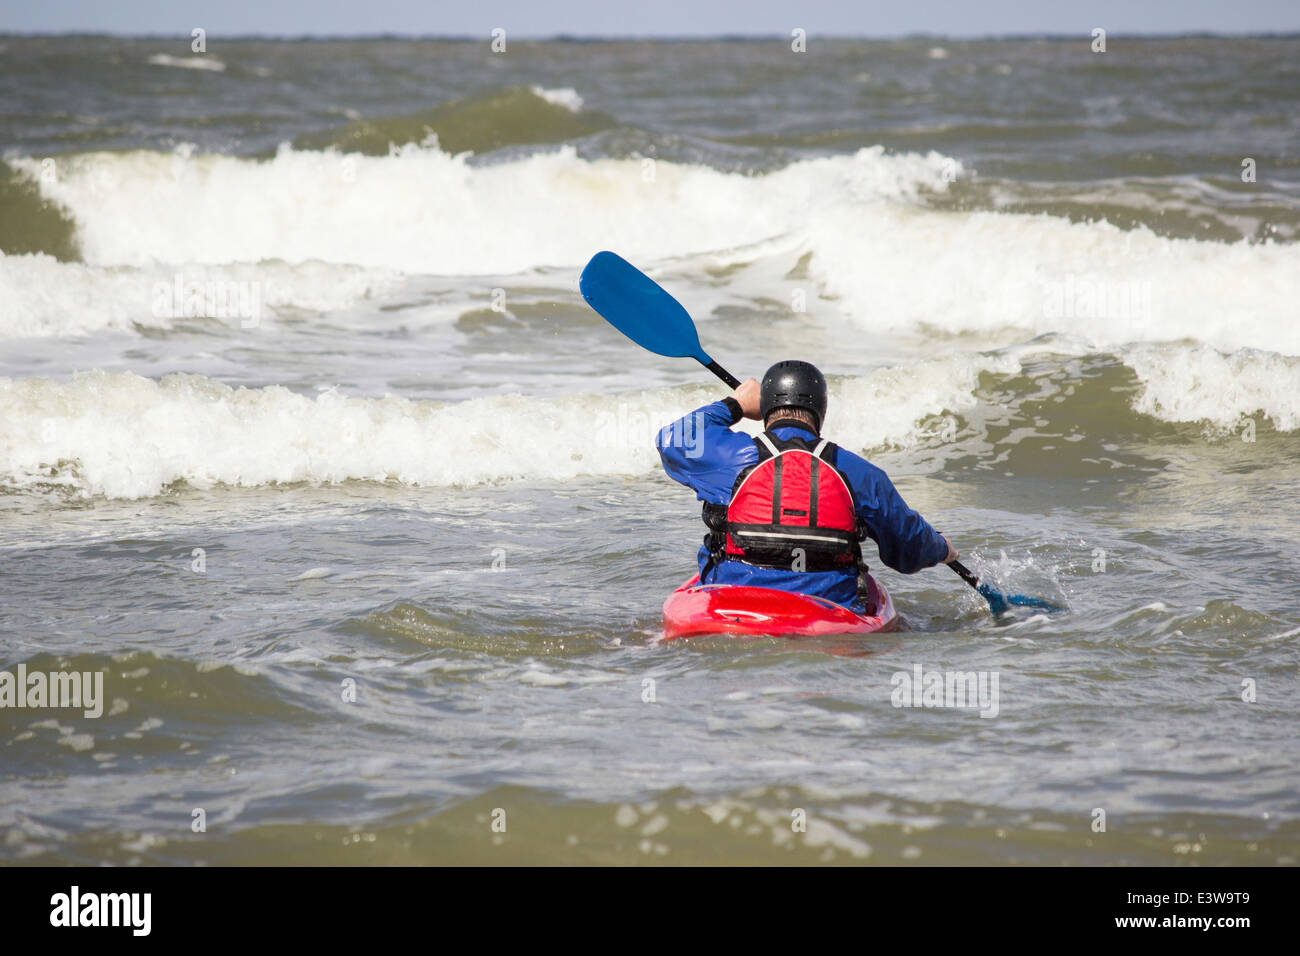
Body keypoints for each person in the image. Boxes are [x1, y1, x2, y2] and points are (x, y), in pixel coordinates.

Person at [656, 360, 957, 613]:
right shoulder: (859, 472)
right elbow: (909, 547)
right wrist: (942, 548)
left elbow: (673, 439)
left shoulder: (732, 458)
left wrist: (735, 404)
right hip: (827, 610)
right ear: (820, 412)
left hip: (733, 604)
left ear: (765, 409)